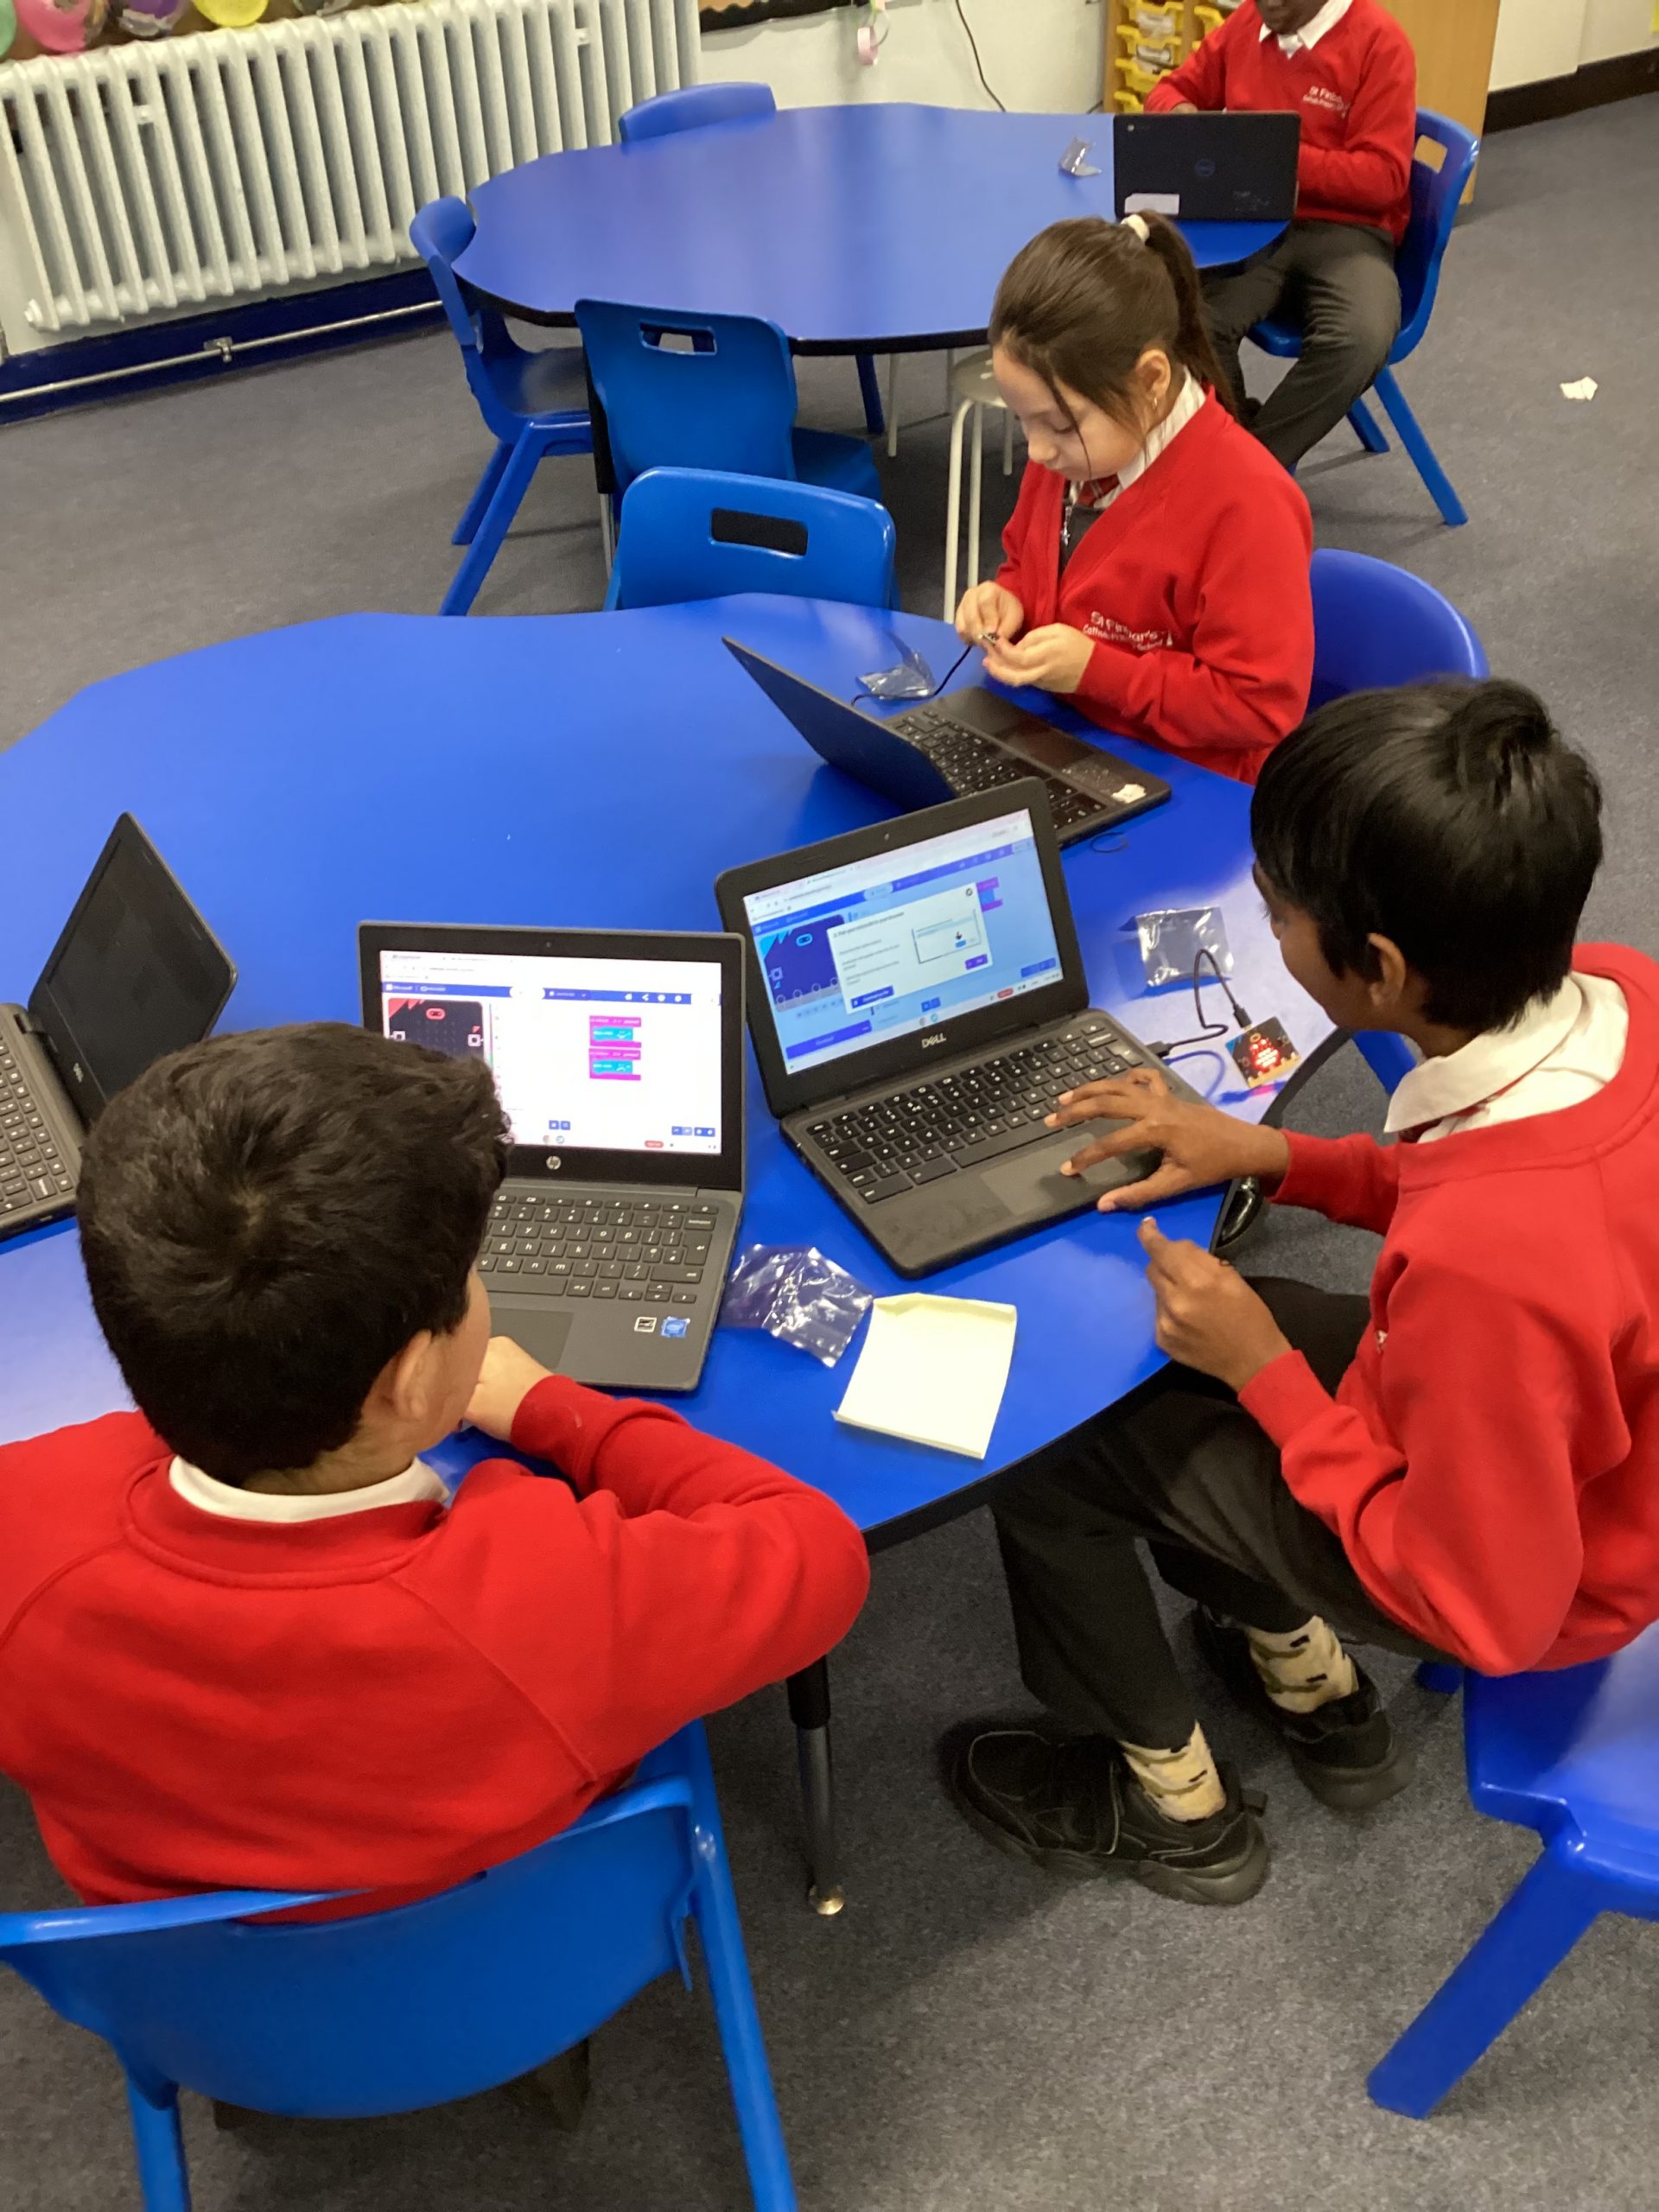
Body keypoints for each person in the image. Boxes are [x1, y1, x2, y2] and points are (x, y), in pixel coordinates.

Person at [944, 679, 1659, 1907]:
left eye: (1278, 911)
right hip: (1556, 1442)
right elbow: (1479, 1174)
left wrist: (1266, 1375)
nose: (1266, 930)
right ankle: (1300, 1668)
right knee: (1212, 1329)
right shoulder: (1618, 992)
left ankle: (1173, 1802)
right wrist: (1277, 1153)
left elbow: (1482, 1607)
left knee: (1048, 1449)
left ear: (1379, 968)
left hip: (1519, 1569)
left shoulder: (1491, 1268)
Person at [0, 1024, 870, 1907]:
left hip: (185, 1977)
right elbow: (820, 1551)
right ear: (412, 1380)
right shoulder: (555, 1598)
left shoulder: (24, 1521)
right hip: (526, 1929)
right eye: (475, 1277)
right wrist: (560, 1411)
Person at [956, 213, 1313, 785]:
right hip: (1065, 734)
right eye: (1023, 420)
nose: (1038, 450)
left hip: (1186, 776)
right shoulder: (1076, 454)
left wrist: (1098, 673)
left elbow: (1258, 707)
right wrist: (1010, 598)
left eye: (1059, 425)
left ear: (1150, 381)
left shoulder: (1249, 505)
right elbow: (1030, 563)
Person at [1146, 0, 1418, 471]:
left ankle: (1248, 467)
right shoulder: (1247, 22)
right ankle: (1232, 447)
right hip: (1253, 222)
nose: (1267, 4)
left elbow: (1384, 178)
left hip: (1347, 232)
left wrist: (1272, 155)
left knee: (1360, 338)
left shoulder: (1381, 43)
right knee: (1189, 317)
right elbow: (1168, 91)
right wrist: (1183, 116)